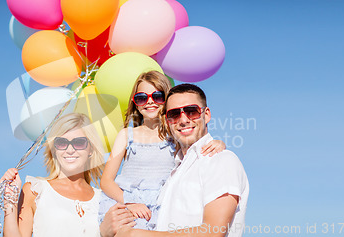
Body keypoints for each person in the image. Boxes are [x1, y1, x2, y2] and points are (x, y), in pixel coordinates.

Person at [101, 84, 249, 237]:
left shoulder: (220, 160)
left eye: (192, 111)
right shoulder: (174, 173)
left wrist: (137, 235)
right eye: (174, 114)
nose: (183, 119)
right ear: (167, 120)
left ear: (207, 114)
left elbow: (213, 231)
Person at [0, 113, 106, 237]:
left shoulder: (103, 200)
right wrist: (9, 203)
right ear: (54, 149)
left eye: (79, 142)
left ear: (91, 149)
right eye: (61, 142)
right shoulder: (35, 190)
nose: (70, 150)